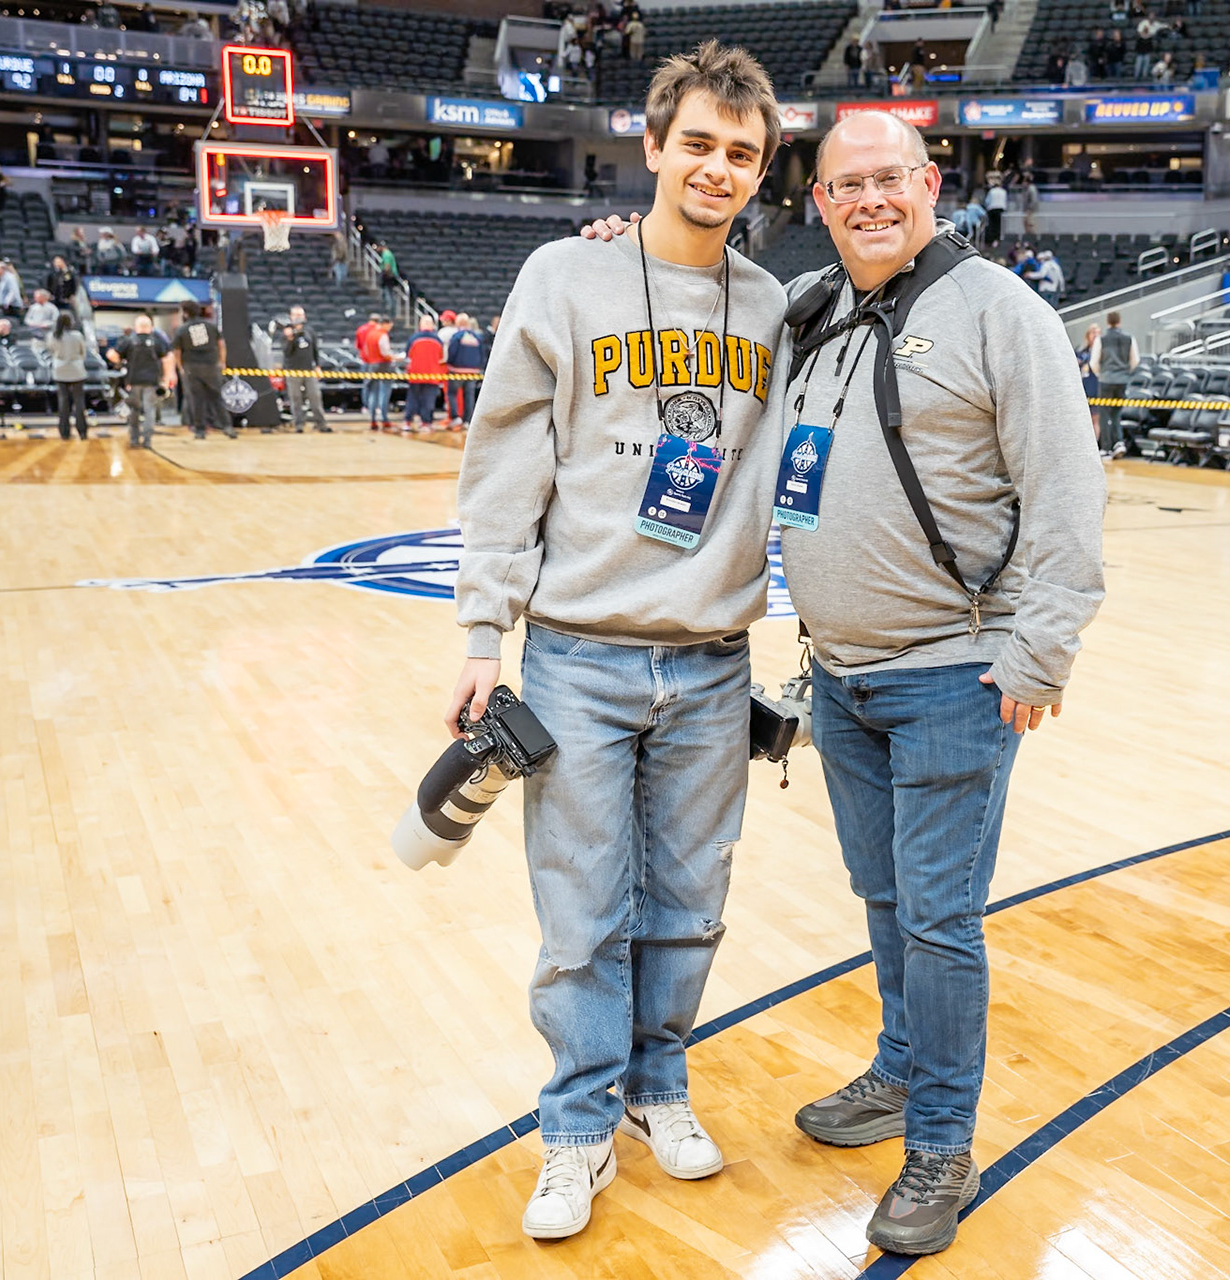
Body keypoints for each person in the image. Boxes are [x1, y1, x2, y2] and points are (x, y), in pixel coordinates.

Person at [448, 41, 787, 1244]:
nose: (717, 168)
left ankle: (658, 1086)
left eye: (741, 153)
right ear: (651, 146)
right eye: (697, 143)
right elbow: (506, 462)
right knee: (581, 911)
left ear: (761, 173)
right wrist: (482, 630)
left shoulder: (775, 307)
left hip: (713, 661)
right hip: (579, 656)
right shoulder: (564, 275)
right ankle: (576, 1123)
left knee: (690, 902)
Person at [782, 109, 1106, 1259]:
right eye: (846, 185)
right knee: (884, 899)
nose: (869, 199)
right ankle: (900, 1068)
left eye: (890, 178)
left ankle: (940, 1142)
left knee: (940, 919)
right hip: (841, 679)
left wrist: (1040, 650)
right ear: (820, 203)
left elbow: (1066, 488)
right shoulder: (809, 311)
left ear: (929, 185)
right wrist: (622, 247)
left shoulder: (1000, 310)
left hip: (955, 677)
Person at [167, 301, 231, 440]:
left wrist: (180, 367)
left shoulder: (182, 330)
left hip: (192, 367)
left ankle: (200, 430)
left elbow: (177, 351)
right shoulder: (211, 326)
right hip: (211, 366)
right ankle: (227, 427)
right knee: (217, 398)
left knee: (196, 400)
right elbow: (221, 344)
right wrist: (222, 362)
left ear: (185, 313)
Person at [110, 315, 168, 447]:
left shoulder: (129, 340)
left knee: (134, 410)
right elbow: (166, 358)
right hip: (152, 381)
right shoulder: (156, 341)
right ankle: (147, 440)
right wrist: (166, 377)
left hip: (133, 381)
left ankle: (134, 439)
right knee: (149, 410)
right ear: (150, 327)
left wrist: (121, 362)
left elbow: (112, 354)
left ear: (136, 327)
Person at [280, 304, 331, 432]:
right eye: (296, 315)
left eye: (301, 315)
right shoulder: (286, 332)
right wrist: (290, 338)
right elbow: (286, 352)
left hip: (309, 370)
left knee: (315, 397)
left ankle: (321, 423)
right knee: (296, 399)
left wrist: (317, 366)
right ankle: (298, 424)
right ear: (291, 316)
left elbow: (315, 350)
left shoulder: (310, 331)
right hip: (293, 371)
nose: (299, 317)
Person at [1097, 308, 1137, 456]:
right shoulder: (1129, 338)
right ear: (1119, 321)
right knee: (1116, 413)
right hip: (1122, 380)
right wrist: (1125, 373)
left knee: (1104, 414)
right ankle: (1118, 442)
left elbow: (1094, 361)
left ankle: (1106, 447)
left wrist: (1101, 374)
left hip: (1106, 379)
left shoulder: (1101, 339)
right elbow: (1135, 360)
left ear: (1107, 322)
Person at [47, 310, 92, 440]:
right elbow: (83, 352)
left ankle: (64, 432)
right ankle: (82, 431)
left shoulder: (53, 336)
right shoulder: (77, 335)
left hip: (59, 370)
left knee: (63, 401)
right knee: (79, 402)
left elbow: (51, 351)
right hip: (77, 369)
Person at [401, 315, 445, 431]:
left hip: (415, 374)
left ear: (420, 325)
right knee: (429, 400)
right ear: (432, 325)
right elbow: (441, 358)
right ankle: (426, 423)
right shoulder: (438, 340)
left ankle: (407, 422)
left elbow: (407, 356)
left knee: (412, 399)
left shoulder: (413, 338)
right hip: (432, 375)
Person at [444, 311, 487, 426]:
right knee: (469, 396)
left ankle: (455, 417)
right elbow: (482, 354)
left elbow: (452, 352)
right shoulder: (477, 337)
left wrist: (449, 364)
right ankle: (467, 421)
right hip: (473, 372)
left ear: (458, 323)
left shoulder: (457, 336)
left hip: (457, 370)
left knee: (451, 394)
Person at [355, 313, 394, 428]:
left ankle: (372, 419)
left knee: (373, 392)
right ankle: (384, 417)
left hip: (371, 364)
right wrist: (395, 357)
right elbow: (385, 353)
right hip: (383, 364)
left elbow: (364, 349)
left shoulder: (370, 334)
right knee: (385, 392)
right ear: (385, 324)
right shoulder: (383, 335)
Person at [982, 175, 1007, 243]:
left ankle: (991, 239)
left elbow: (987, 201)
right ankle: (998, 238)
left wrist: (986, 207)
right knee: (999, 224)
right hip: (1000, 208)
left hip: (992, 208)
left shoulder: (992, 191)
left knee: (992, 224)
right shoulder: (1003, 191)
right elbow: (1005, 200)